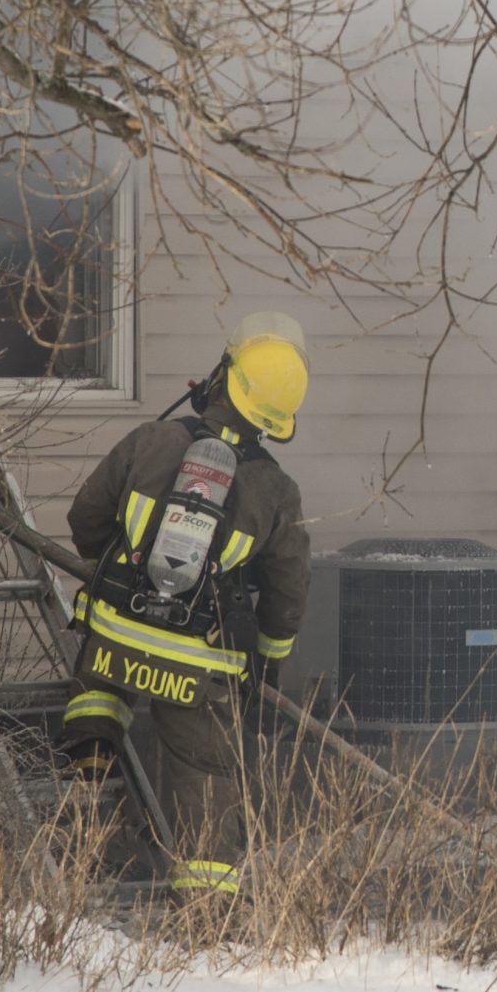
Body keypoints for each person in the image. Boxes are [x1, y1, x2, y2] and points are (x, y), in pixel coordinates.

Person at [59, 313, 313, 898]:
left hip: (116, 640)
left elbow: (85, 517)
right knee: (208, 772)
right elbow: (288, 594)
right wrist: (267, 664)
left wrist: (118, 578)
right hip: (201, 668)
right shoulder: (276, 491)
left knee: (103, 665)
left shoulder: (153, 440)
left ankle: (93, 739)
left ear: (223, 380)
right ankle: (207, 903)